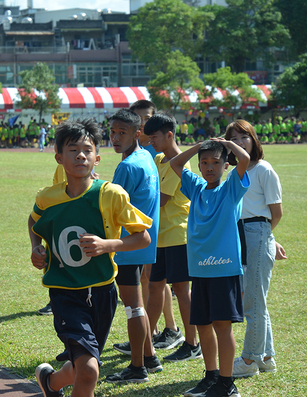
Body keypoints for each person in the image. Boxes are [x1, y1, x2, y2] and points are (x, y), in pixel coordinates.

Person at [29, 118, 152, 397]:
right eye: (73, 150)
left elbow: (143, 237)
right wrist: (36, 247)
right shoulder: (47, 198)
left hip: (102, 292)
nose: (81, 155)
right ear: (59, 157)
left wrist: (109, 244)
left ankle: (50, 382)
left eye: (87, 149)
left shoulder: (111, 194)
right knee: (90, 370)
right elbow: (33, 220)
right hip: (65, 293)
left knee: (85, 366)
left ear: (97, 157)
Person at [169, 137, 250, 397]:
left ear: (226, 165)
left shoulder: (230, 189)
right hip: (200, 270)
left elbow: (245, 160)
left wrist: (225, 143)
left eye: (216, 162)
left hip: (223, 269)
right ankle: (211, 376)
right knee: (203, 324)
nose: (209, 167)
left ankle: (227, 384)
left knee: (222, 326)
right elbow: (176, 162)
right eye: (204, 163)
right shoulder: (196, 188)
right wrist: (200, 146)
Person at [222, 120, 283, 381]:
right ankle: (267, 357)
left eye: (243, 137)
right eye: (233, 139)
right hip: (241, 235)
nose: (239, 142)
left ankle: (248, 360)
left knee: (253, 303)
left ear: (254, 140)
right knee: (256, 300)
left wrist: (267, 237)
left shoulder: (264, 170)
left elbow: (275, 213)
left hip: (257, 234)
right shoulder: (234, 174)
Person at [105, 109, 162, 383]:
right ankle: (150, 357)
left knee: (133, 307)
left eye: (122, 133)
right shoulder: (146, 159)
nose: (115, 138)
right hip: (142, 243)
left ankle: (137, 368)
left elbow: (111, 207)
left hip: (128, 244)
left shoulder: (127, 166)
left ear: (137, 133)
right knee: (136, 304)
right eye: (112, 132)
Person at [143, 112, 202, 362]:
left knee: (181, 289)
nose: (151, 142)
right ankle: (145, 337)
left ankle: (192, 343)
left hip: (178, 234)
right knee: (155, 287)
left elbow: (161, 199)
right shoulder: (157, 158)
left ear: (169, 135)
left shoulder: (181, 163)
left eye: (154, 137)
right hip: (160, 237)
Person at [127, 100, 179, 350]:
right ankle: (154, 328)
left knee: (156, 278)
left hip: (159, 225)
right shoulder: (143, 150)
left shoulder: (157, 151)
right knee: (149, 279)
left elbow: (160, 195)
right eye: (138, 119)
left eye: (146, 118)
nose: (143, 123)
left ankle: (170, 327)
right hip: (146, 223)